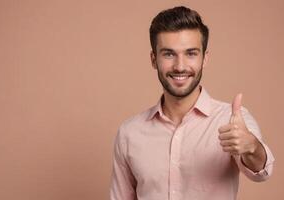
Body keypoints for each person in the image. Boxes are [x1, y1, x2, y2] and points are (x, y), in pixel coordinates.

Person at [110, 6, 274, 200]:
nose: (180, 66)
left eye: (191, 53)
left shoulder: (232, 120)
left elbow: (262, 171)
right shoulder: (129, 133)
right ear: (154, 60)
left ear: (205, 58)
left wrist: (252, 147)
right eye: (169, 54)